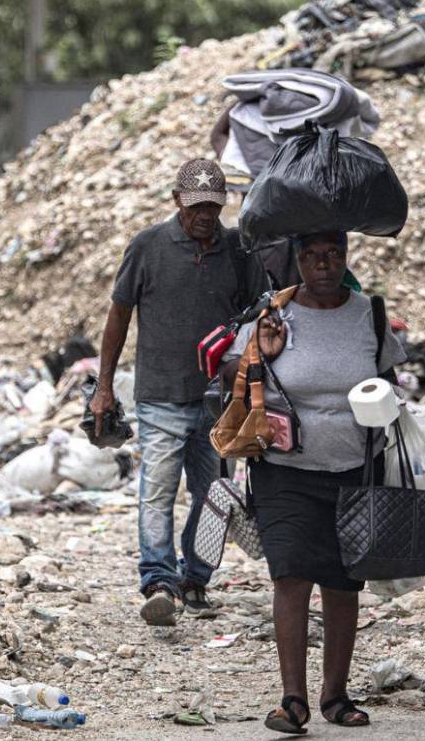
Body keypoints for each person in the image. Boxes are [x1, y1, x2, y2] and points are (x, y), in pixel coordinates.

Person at [221, 231, 405, 733]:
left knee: (343, 582)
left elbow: (390, 381)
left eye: (333, 255)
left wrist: (386, 401)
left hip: (356, 469)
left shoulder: (369, 313)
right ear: (297, 260)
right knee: (291, 576)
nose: (323, 265)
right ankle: (293, 700)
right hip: (283, 471)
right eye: (312, 256)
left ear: (345, 258)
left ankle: (336, 697)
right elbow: (231, 372)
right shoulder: (272, 313)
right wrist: (263, 353)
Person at [92, 158, 267, 626]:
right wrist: (104, 386)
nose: (205, 215)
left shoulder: (239, 250)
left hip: (219, 401)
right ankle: (158, 580)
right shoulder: (148, 246)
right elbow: (118, 315)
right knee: (158, 491)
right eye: (195, 206)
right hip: (161, 395)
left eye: (212, 205)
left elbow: (257, 316)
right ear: (176, 201)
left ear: (223, 203)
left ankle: (195, 578)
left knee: (213, 496)